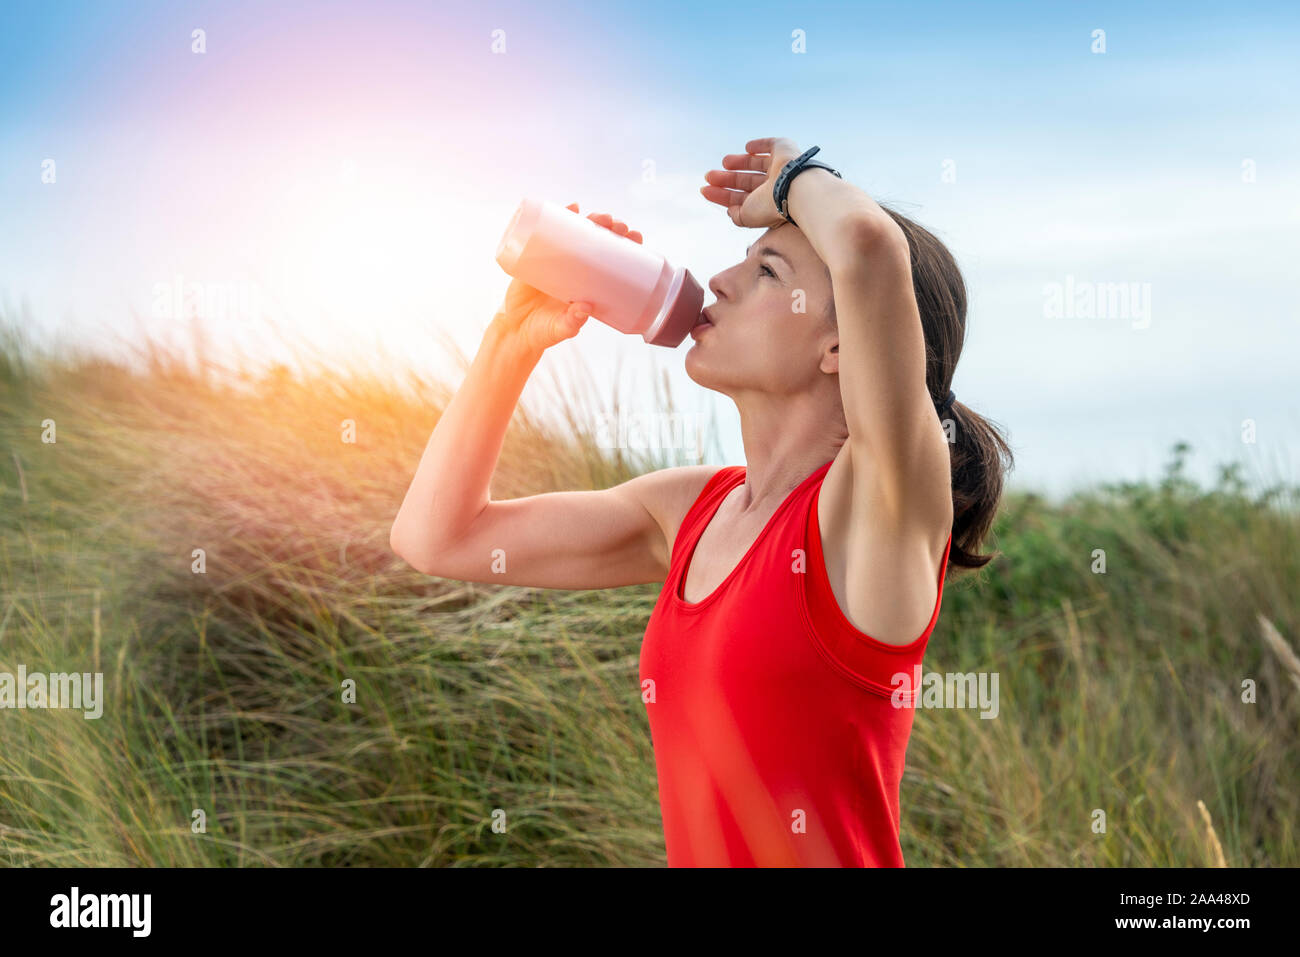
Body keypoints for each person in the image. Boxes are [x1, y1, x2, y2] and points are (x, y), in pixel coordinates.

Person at [390, 136, 1014, 866]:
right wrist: (510, 342)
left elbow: (870, 245)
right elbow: (439, 536)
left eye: (767, 270)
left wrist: (794, 177)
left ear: (842, 344)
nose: (718, 280)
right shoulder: (687, 510)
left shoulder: (880, 503)